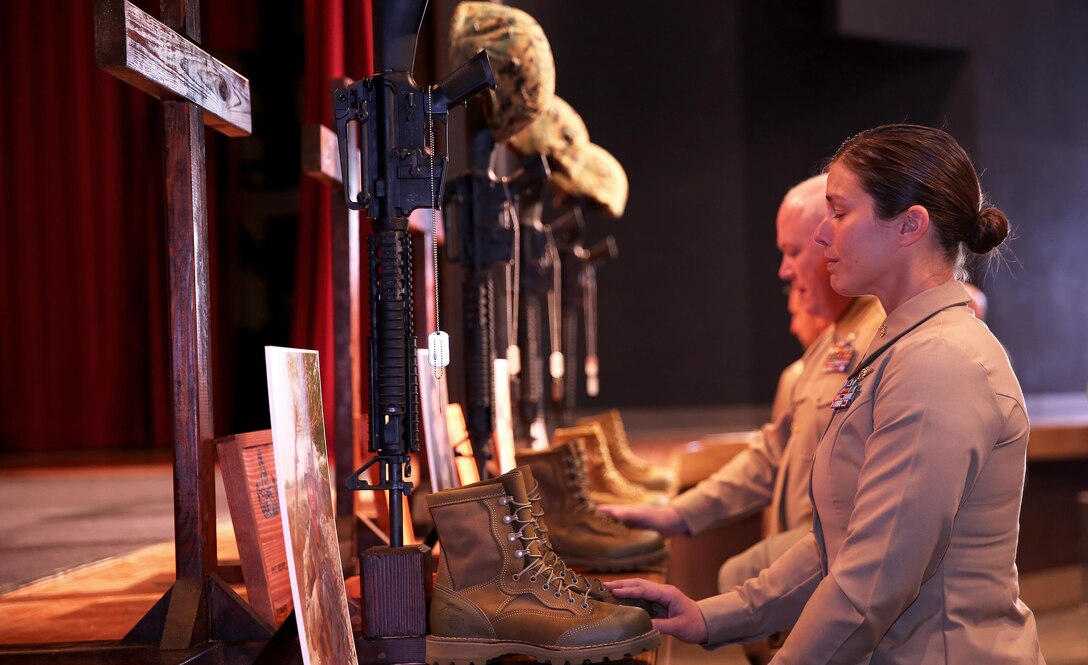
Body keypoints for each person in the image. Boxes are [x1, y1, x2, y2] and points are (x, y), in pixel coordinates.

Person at [609, 124, 1045, 664]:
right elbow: (838, 547)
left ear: (909, 225)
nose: (822, 235)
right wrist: (711, 616)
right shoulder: (900, 346)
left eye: (838, 212)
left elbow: (872, 581)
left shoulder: (939, 361)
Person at [601, 174, 884, 595]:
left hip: (836, 582)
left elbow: (870, 522)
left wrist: (744, 591)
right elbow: (772, 455)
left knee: (731, 579)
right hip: (809, 575)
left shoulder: (884, 336)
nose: (783, 270)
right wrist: (678, 514)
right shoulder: (834, 339)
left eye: (794, 251)